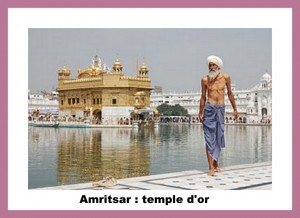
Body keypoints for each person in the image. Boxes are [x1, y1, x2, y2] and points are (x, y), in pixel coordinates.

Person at [198, 55, 238, 176]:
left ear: (218, 66)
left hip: (220, 109)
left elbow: (230, 94)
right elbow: (203, 97)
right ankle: (210, 167)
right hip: (209, 109)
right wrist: (200, 112)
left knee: (219, 137)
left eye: (213, 65)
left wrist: (235, 109)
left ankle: (216, 164)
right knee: (209, 138)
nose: (211, 67)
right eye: (210, 65)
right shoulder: (205, 80)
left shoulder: (225, 77)